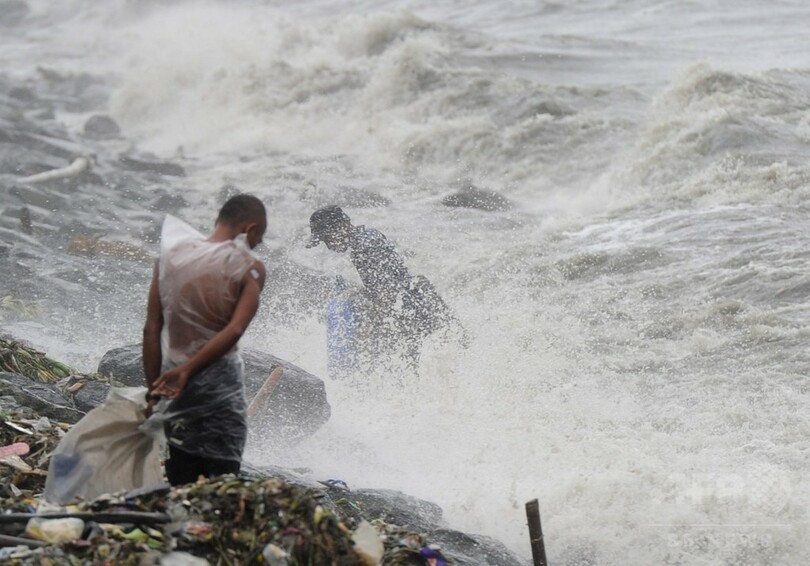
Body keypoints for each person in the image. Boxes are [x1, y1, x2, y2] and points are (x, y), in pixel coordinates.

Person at [143, 194, 267, 485]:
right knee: (221, 481)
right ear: (250, 229)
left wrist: (154, 390)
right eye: (259, 236)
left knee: (181, 475)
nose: (259, 244)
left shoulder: (169, 258)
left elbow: (151, 328)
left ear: (217, 221)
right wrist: (188, 371)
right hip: (218, 385)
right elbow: (234, 330)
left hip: (172, 383)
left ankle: (178, 527)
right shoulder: (248, 267)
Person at [306, 205, 464, 369]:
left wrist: (366, 317)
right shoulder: (368, 236)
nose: (329, 246)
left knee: (410, 367)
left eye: (328, 238)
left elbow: (388, 293)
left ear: (342, 226)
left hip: (414, 315)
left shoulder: (363, 247)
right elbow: (388, 284)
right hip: (421, 306)